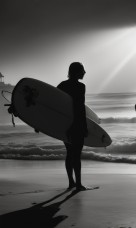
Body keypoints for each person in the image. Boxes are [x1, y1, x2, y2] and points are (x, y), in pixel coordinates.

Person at [57, 62, 89, 191]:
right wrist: (84, 126)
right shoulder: (81, 87)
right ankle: (79, 184)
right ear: (76, 72)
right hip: (77, 124)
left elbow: (53, 103)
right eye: (82, 70)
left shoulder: (62, 85)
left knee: (70, 154)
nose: (84, 72)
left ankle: (71, 182)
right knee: (77, 155)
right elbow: (80, 108)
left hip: (65, 124)